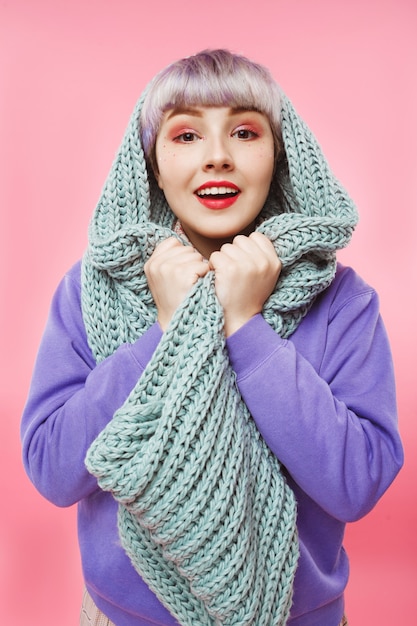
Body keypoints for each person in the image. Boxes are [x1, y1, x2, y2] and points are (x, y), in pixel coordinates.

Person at [21, 49, 403, 626]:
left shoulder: (342, 300)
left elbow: (359, 482)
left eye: (245, 131)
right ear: (150, 163)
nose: (217, 157)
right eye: (185, 136)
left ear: (280, 156)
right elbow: (51, 468)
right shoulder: (88, 293)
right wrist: (164, 332)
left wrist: (246, 327)